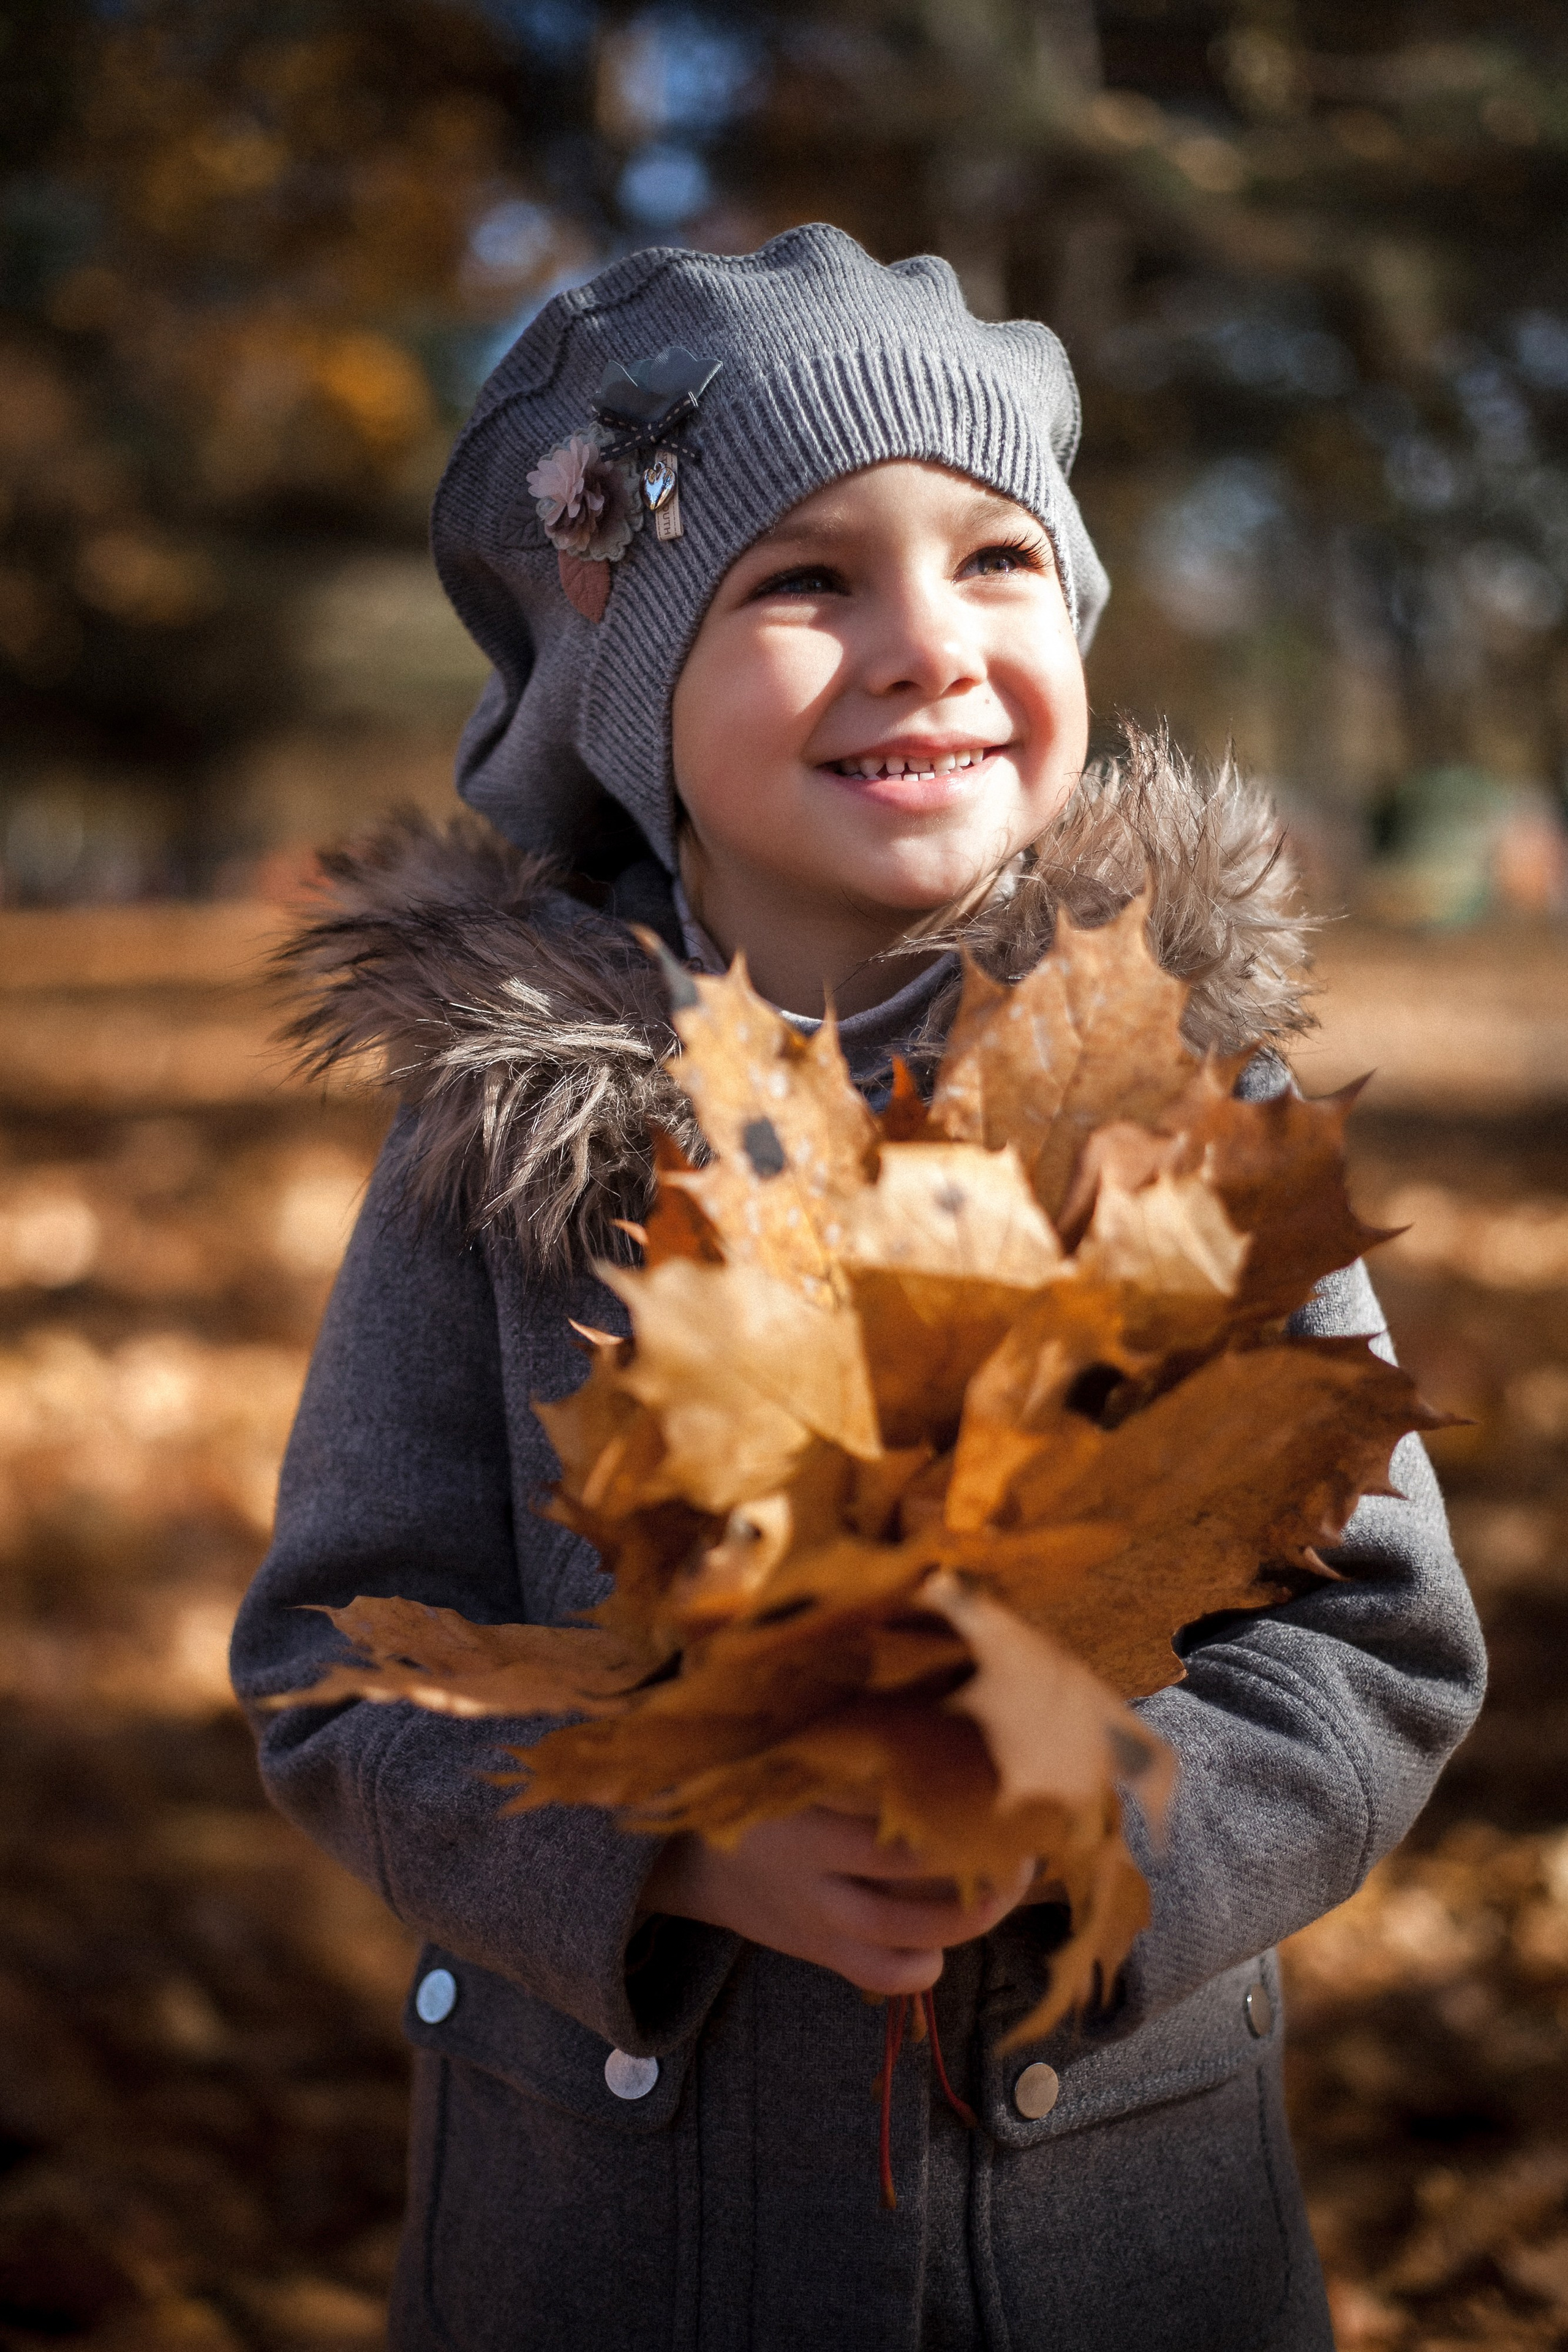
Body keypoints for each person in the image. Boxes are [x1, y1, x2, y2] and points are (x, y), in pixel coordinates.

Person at [231, 225, 1485, 2352]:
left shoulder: (1171, 1097)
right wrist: (671, 1849)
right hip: (610, 2249)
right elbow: (342, 1672)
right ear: (628, 706)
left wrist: (1100, 1828)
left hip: (1114, 2245)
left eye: (997, 559)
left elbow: (1376, 1641)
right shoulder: (508, 1159)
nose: (926, 643)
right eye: (806, 581)